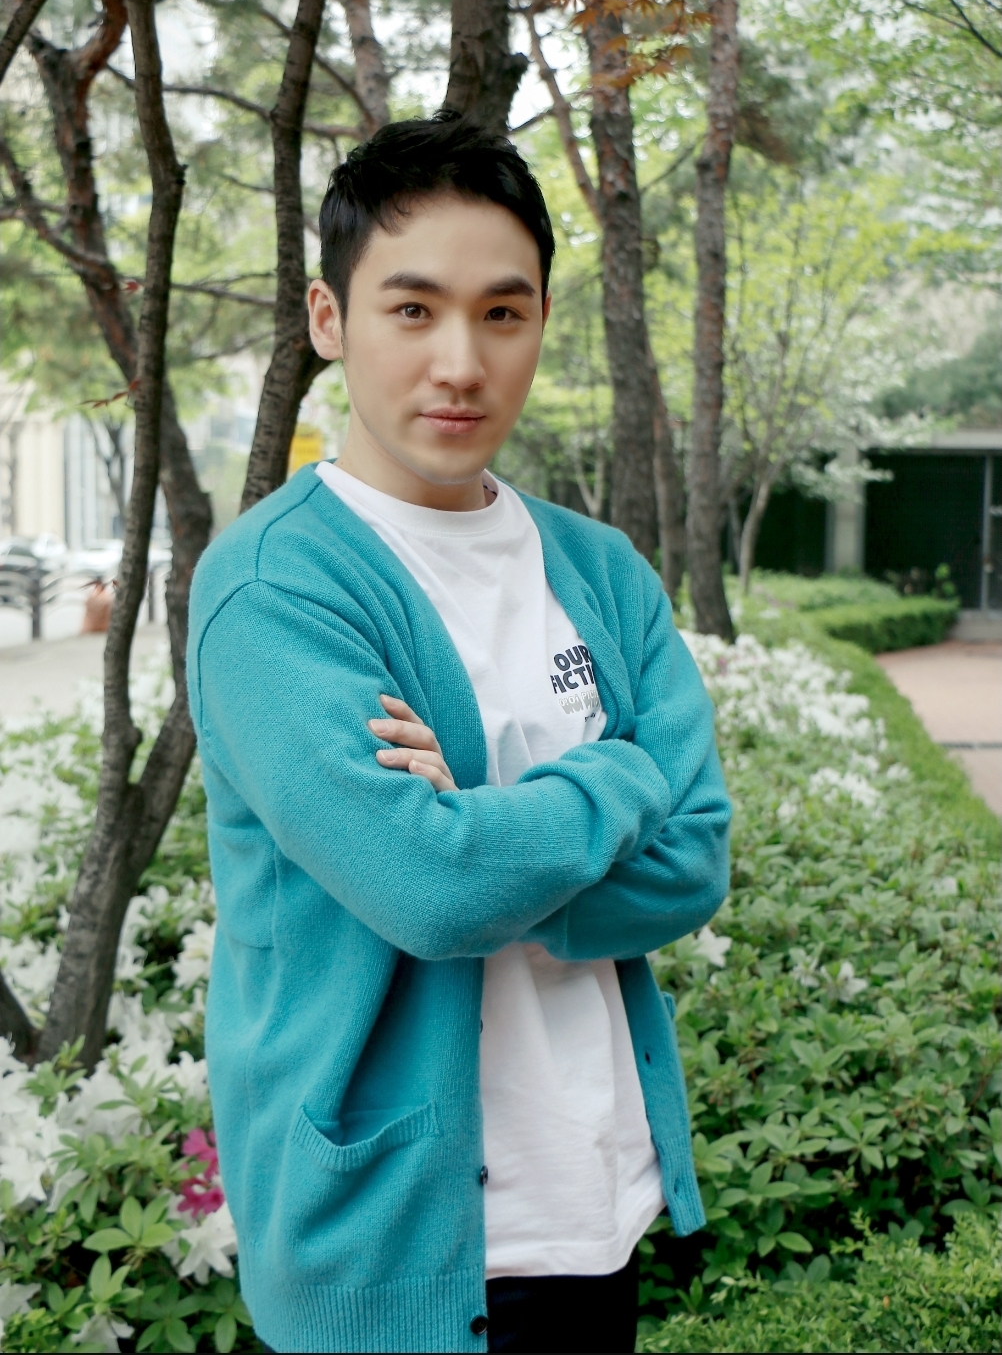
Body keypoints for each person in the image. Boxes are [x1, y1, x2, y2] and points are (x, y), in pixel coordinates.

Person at [187, 113, 731, 1355]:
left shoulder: (600, 567)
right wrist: (619, 772)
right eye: (413, 309)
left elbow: (695, 858)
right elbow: (428, 886)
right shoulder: (276, 587)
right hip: (391, 1245)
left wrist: (487, 830)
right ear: (329, 319)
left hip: (597, 1203)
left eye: (502, 313)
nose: (462, 362)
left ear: (540, 321)